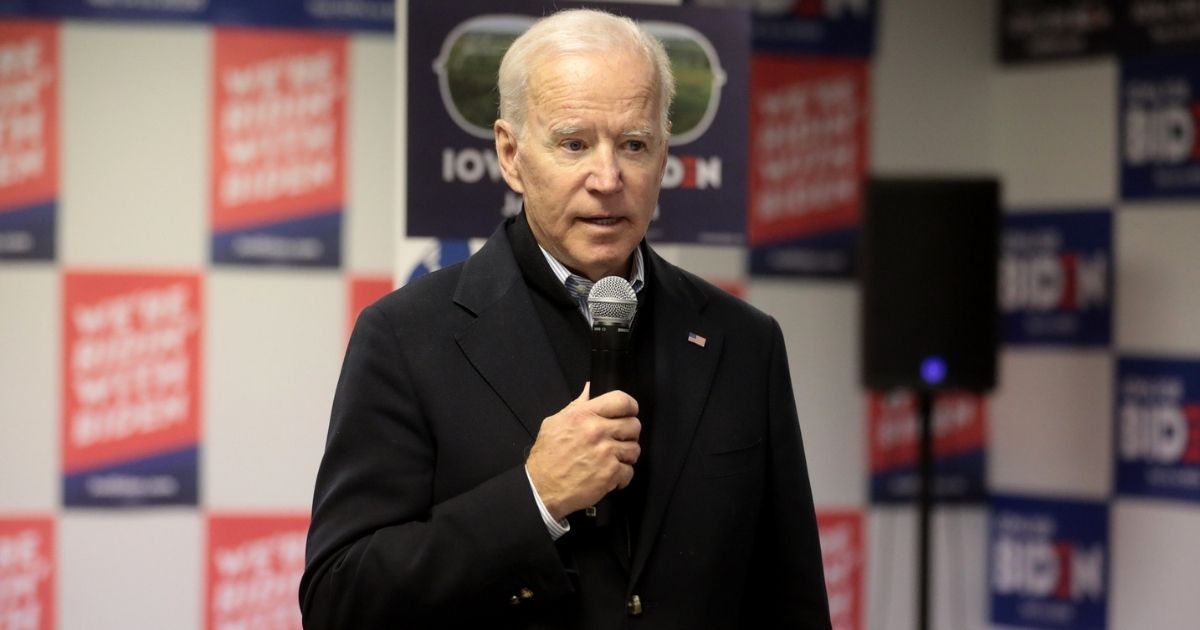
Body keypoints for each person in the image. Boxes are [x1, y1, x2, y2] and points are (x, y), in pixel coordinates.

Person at [300, 8, 830, 629]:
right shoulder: (406, 336)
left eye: (634, 144)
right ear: (511, 153)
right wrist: (534, 499)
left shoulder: (745, 343)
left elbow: (790, 598)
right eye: (574, 144)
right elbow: (339, 600)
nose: (607, 179)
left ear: (664, 157)